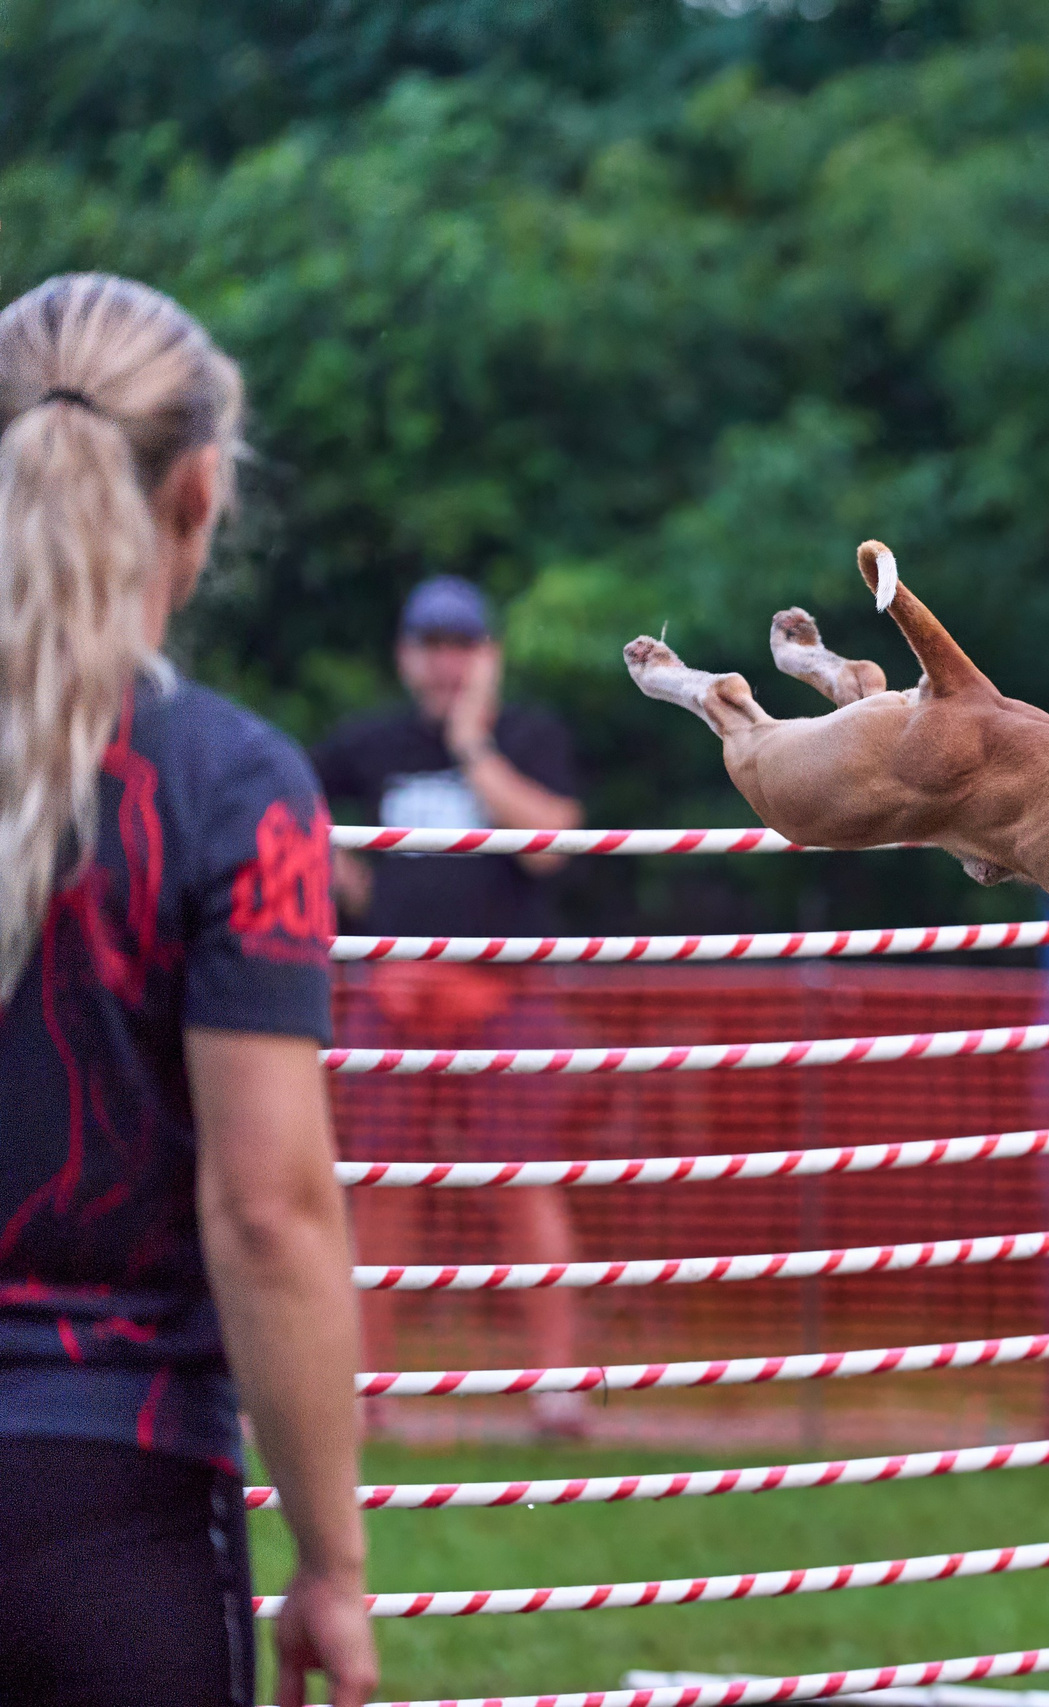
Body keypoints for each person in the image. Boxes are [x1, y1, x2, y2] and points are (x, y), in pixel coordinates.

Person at [0, 274, 375, 1704]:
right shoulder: (232, 786)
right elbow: (268, 1207)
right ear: (200, 492)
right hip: (117, 1494)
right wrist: (331, 1563)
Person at [312, 576, 591, 1437]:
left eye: (462, 645)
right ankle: (367, 1392)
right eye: (430, 645)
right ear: (405, 654)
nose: (445, 662)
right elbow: (291, 803)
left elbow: (553, 843)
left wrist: (473, 747)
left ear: (489, 655)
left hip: (501, 1001)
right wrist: (342, 875)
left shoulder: (528, 736)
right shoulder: (370, 742)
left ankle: (558, 1389)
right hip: (391, 998)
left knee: (523, 1186)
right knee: (380, 1193)